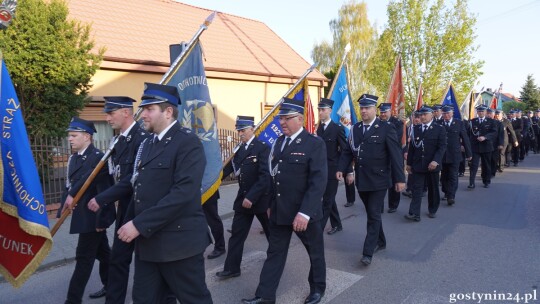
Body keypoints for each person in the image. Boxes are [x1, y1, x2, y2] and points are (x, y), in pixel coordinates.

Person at [117, 83, 213, 303]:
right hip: (148, 242)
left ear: (168, 112)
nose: (143, 115)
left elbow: (183, 194)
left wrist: (138, 224)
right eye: (143, 109)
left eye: (149, 109)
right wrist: (129, 223)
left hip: (179, 244)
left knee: (194, 299)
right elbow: (139, 189)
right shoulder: (148, 143)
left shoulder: (188, 143)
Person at [242, 98, 327, 304]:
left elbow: (318, 181)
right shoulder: (279, 142)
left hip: (304, 213)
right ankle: (265, 295)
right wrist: (271, 204)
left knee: (314, 252)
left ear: (299, 119)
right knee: (275, 253)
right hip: (280, 209)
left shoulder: (314, 144)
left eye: (286, 118)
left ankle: (317, 289)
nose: (282, 122)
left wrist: (305, 212)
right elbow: (273, 176)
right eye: (281, 118)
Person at [85, 96, 150, 303]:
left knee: (147, 262)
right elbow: (107, 172)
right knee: (118, 259)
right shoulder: (118, 140)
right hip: (124, 207)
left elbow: (132, 178)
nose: (107, 118)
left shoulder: (142, 138)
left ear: (126, 112)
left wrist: (102, 198)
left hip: (141, 208)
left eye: (111, 113)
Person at [337, 94, 405, 265]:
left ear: (375, 109)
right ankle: (381, 241)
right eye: (362, 108)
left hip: (380, 179)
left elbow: (396, 155)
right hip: (363, 179)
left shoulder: (385, 128)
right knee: (371, 213)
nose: (364, 111)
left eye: (367, 108)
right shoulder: (356, 129)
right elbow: (347, 151)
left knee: (374, 214)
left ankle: (368, 251)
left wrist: (400, 179)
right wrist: (342, 169)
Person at [61, 117, 115, 304]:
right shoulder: (74, 159)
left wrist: (102, 221)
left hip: (93, 219)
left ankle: (72, 299)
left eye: (74, 135)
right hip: (81, 216)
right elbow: (69, 187)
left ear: (87, 136)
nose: (70, 139)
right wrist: (63, 207)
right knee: (104, 254)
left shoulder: (99, 158)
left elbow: (106, 193)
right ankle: (111, 286)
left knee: (83, 258)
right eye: (70, 136)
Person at [216, 115, 270, 279]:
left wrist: (252, 197)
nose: (240, 133)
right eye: (238, 130)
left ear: (252, 129)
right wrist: (214, 182)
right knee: (237, 235)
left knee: (272, 233)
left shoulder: (262, 148)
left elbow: (265, 177)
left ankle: (275, 257)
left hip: (260, 199)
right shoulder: (238, 150)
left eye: (243, 130)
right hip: (243, 199)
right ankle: (232, 268)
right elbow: (227, 170)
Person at [405, 106, 447, 221]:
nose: (422, 117)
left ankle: (432, 209)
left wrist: (436, 160)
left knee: (433, 189)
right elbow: (412, 148)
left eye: (425, 114)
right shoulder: (416, 129)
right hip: (418, 164)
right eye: (420, 115)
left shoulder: (439, 129)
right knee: (416, 189)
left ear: (432, 115)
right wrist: (408, 164)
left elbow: (442, 147)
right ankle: (414, 213)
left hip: (432, 165)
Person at [317, 98, 345, 235]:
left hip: (333, 170)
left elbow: (345, 151)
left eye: (323, 110)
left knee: (327, 201)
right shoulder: (320, 128)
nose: (320, 112)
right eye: (319, 110)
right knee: (330, 198)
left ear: (330, 111)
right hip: (321, 170)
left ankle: (318, 229)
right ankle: (337, 224)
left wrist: (346, 170)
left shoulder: (337, 128)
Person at [439, 105, 471, 206]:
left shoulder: (459, 123)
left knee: (453, 176)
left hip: (454, 154)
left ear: (452, 113)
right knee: (444, 176)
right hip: (442, 155)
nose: (446, 115)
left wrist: (469, 153)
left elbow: (465, 138)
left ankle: (451, 196)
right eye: (444, 113)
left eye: (448, 113)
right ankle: (446, 191)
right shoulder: (438, 124)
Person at [377, 102, 404, 213]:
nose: (383, 114)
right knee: (380, 182)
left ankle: (393, 204)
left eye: (385, 112)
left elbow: (395, 139)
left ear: (390, 111)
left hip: (392, 155)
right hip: (380, 157)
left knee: (393, 180)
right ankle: (379, 205)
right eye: (381, 112)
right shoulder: (377, 123)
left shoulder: (397, 123)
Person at [468, 105, 497, 188]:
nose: (480, 113)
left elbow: (494, 133)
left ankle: (486, 181)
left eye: (482, 111)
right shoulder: (472, 121)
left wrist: (485, 137)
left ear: (485, 112)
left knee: (486, 165)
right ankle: (471, 182)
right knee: (473, 165)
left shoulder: (491, 121)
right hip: (475, 146)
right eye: (479, 111)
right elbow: (468, 133)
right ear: (477, 112)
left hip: (486, 146)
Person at [203, 190, 226, 259]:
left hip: (208, 192)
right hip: (195, 192)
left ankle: (220, 247)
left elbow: (219, 178)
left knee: (213, 220)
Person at [486, 108, 504, 178]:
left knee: (493, 159)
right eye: (488, 114)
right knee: (486, 159)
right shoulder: (484, 122)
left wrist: (501, 144)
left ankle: (492, 172)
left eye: (490, 114)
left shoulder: (498, 123)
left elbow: (501, 134)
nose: (489, 115)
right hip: (486, 144)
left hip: (495, 144)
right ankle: (485, 173)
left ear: (493, 115)